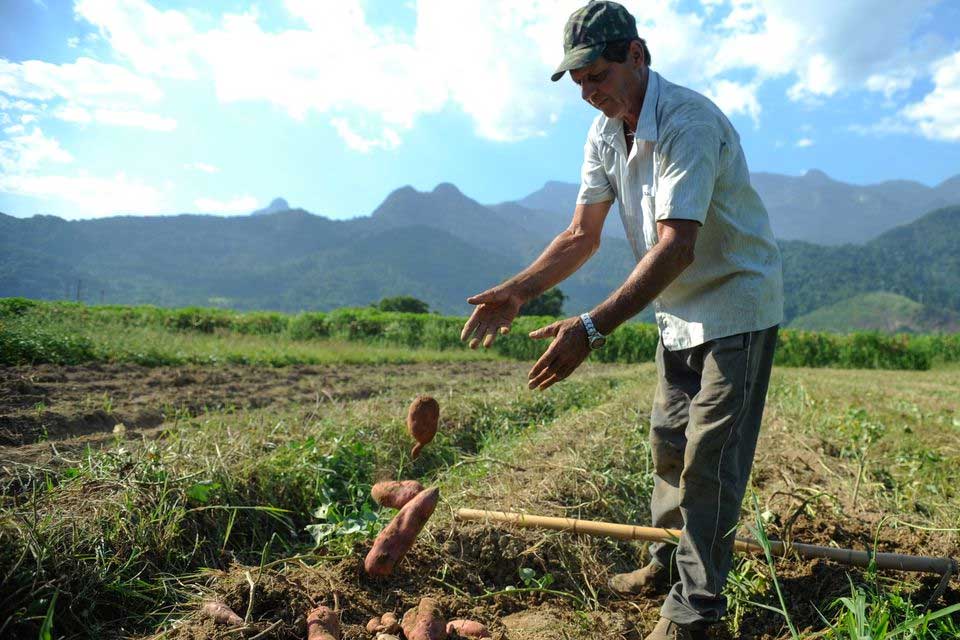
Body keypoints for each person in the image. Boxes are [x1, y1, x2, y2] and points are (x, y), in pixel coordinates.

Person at [459, 1, 784, 639]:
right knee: (669, 444)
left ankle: (696, 611)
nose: (589, 93)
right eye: (579, 83)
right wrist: (518, 291)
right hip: (676, 310)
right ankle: (665, 560)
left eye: (598, 76)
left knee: (709, 461)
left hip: (735, 305)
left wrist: (591, 327)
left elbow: (678, 244)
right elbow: (582, 235)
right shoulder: (606, 132)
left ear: (637, 55)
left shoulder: (688, 121)